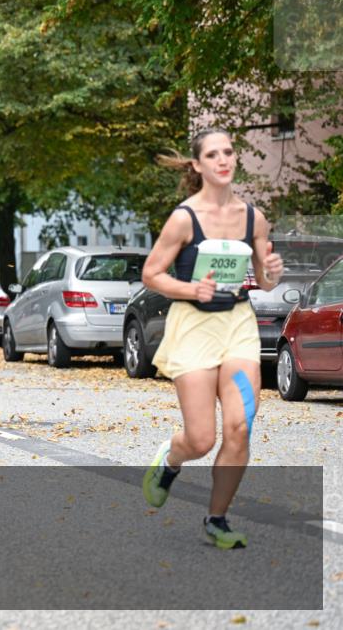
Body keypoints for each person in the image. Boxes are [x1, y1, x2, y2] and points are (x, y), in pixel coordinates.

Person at [141, 127, 284, 550]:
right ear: (198, 165)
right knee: (201, 438)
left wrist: (271, 270)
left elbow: (263, 279)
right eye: (213, 154)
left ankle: (217, 518)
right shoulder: (184, 217)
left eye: (229, 152)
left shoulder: (254, 218)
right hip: (193, 328)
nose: (223, 160)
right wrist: (191, 289)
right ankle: (170, 461)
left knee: (240, 426)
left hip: (237, 323)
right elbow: (152, 274)